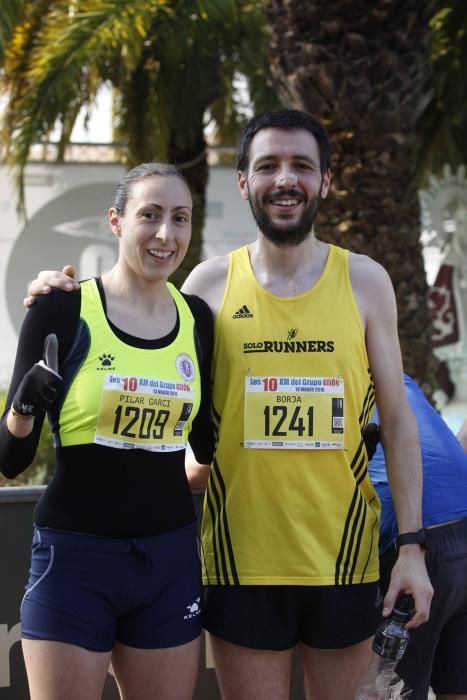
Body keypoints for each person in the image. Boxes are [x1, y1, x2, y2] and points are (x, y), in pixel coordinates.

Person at [24, 109, 433, 700]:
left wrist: (413, 551)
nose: (284, 179)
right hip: (238, 566)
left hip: (344, 562)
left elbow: (397, 423)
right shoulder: (204, 289)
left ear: (325, 181)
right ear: (243, 181)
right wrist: (55, 293)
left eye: (301, 166)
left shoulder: (367, 281)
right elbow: (135, 335)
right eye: (267, 165)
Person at [0, 163, 214, 700]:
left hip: (168, 561)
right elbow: (9, 457)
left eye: (180, 219)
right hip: (75, 561)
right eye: (150, 216)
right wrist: (24, 408)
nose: (166, 234)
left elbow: (209, 448)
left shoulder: (199, 321)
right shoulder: (62, 307)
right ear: (116, 221)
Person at [367, 374, 467, 700]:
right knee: (456, 687)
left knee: (383, 691)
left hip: (415, 545)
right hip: (460, 526)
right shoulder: (399, 378)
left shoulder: (336, 381)